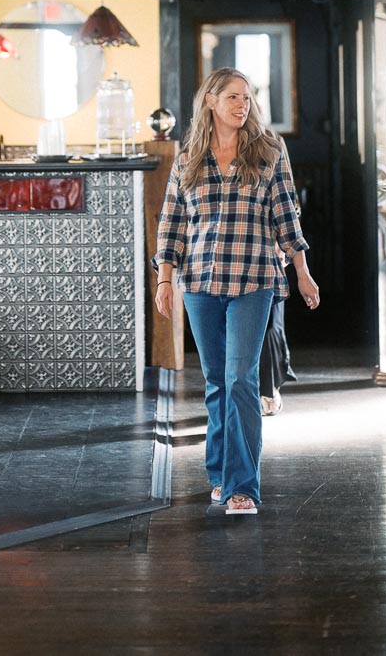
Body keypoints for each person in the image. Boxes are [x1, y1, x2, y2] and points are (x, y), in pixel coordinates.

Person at [154, 67, 320, 516]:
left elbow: (287, 214)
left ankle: (242, 487)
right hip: (200, 284)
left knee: (240, 379)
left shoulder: (268, 150)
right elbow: (172, 222)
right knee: (214, 382)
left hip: (255, 279)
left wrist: (302, 271)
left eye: (246, 97)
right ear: (210, 101)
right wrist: (165, 278)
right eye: (232, 97)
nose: (241, 105)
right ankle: (219, 472)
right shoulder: (189, 154)